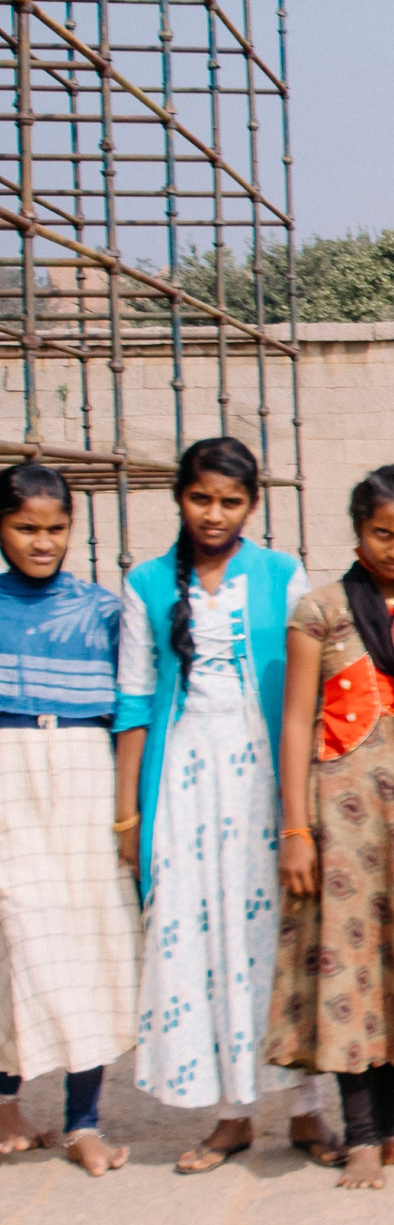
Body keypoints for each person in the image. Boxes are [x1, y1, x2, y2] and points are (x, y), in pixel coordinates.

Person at [114, 437, 335, 1172]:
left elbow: (310, 684)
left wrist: (300, 807)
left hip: (266, 780)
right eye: (201, 498)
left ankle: (307, 1108)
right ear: (179, 497)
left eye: (231, 501)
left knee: (280, 931)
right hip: (184, 783)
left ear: (252, 505)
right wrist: (128, 814)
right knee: (201, 937)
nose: (215, 514)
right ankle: (232, 1114)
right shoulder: (145, 582)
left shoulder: (280, 574)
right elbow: (134, 700)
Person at [268, 464, 394, 1190]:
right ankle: (363, 1136)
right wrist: (295, 828)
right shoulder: (321, 610)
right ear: (356, 530)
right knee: (350, 965)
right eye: (383, 533)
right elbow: (294, 722)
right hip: (342, 817)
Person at [0, 463, 141, 1176]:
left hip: (84, 768)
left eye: (55, 528)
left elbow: (131, 713)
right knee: (13, 937)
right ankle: (5, 1103)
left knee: (90, 938)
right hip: (8, 775)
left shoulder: (102, 611)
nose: (42, 541)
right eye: (26, 526)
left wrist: (128, 811)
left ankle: (84, 1119)